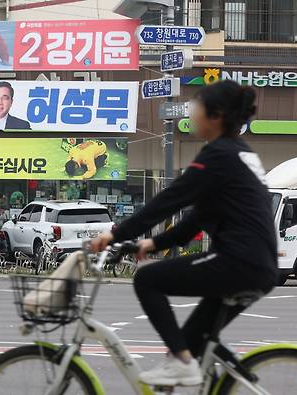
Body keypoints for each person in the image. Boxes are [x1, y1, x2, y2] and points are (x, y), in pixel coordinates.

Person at [91, 80, 278, 387]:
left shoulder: (217, 155)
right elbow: (198, 218)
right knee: (192, 345)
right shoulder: (239, 153)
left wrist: (116, 234)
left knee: (148, 281)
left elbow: (170, 199)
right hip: (257, 265)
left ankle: (181, 362)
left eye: (197, 106)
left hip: (238, 262)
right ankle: (187, 362)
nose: (191, 112)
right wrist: (152, 243)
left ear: (215, 116)